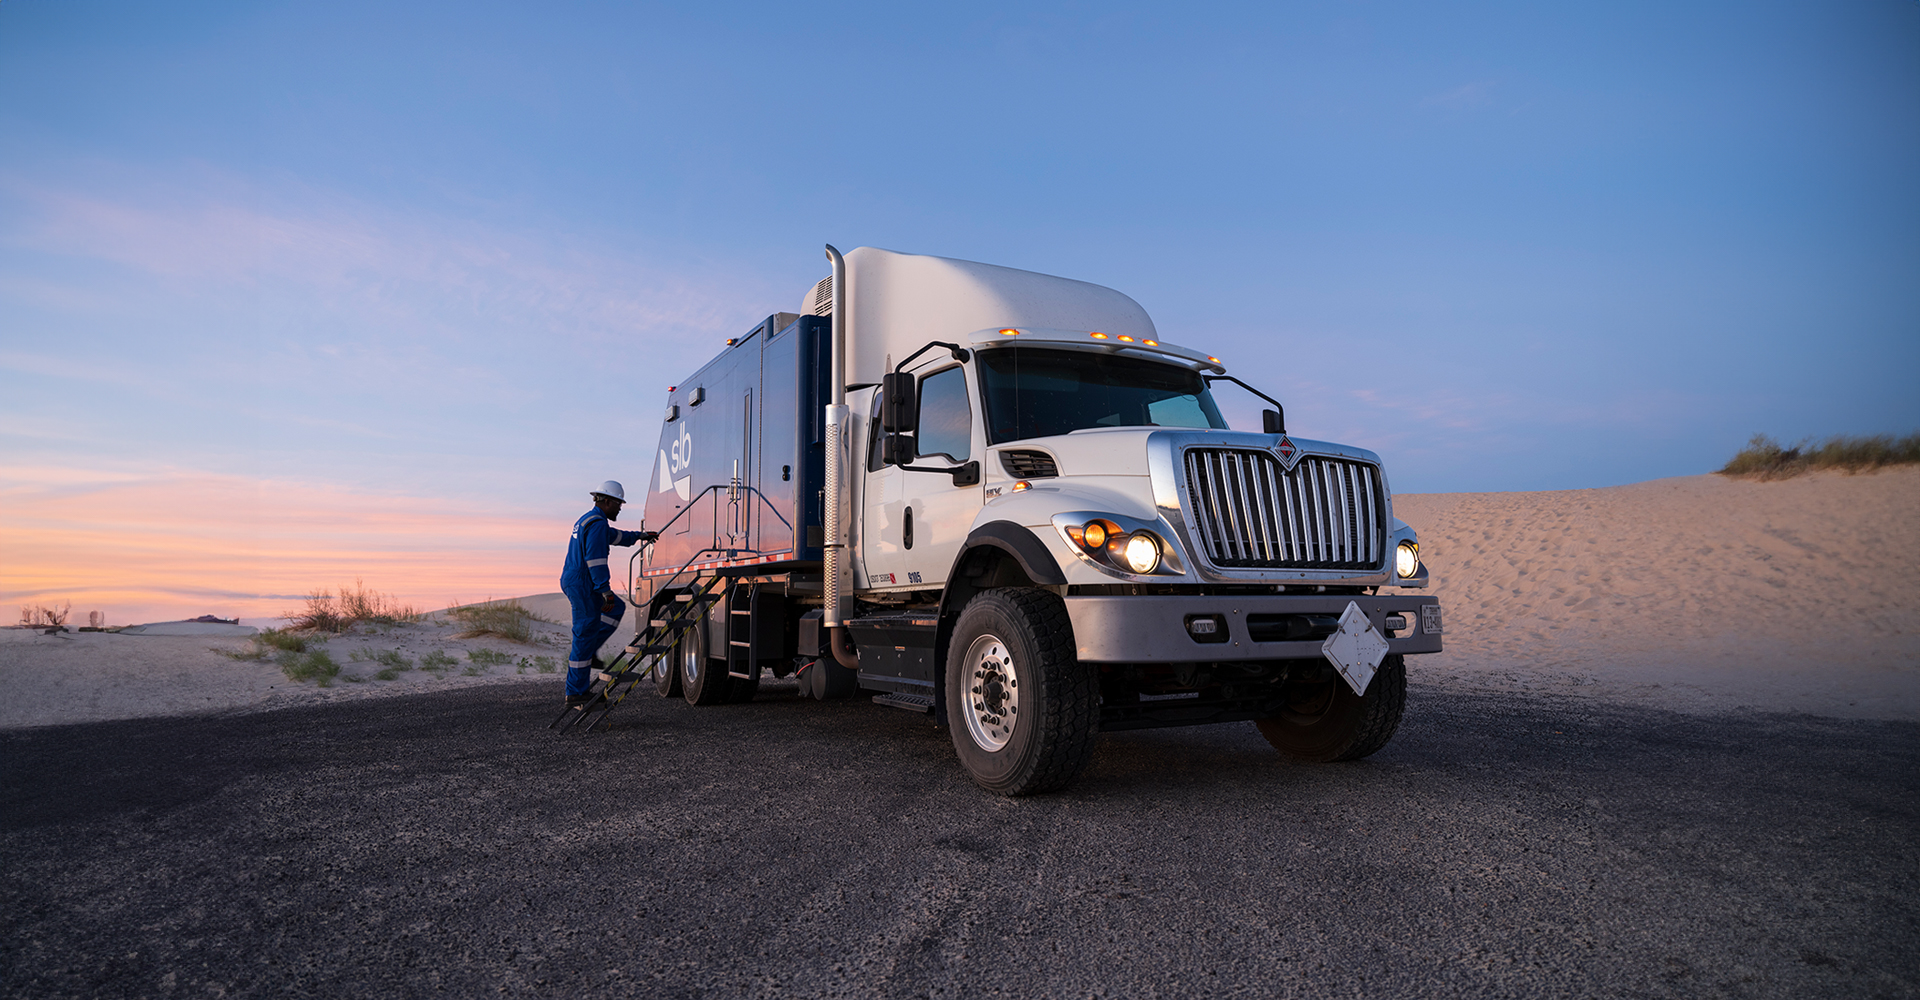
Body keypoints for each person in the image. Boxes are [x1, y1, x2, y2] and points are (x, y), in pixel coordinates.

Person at [561, 481, 655, 709]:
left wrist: (640, 536)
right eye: (618, 504)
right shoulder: (597, 524)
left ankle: (591, 650)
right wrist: (605, 590)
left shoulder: (591, 520)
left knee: (616, 610)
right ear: (606, 501)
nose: (620, 508)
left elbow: (617, 536)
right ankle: (575, 692)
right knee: (584, 633)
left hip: (579, 580)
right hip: (585, 583)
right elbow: (595, 560)